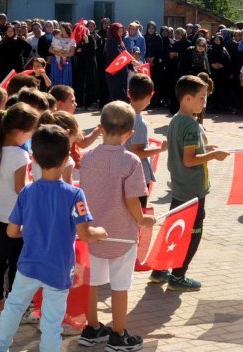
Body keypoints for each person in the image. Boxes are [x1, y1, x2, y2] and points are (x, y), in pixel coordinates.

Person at [0, 125, 107, 352]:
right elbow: (85, 234)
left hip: (28, 265)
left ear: (34, 159)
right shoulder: (74, 194)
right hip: (58, 269)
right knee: (52, 323)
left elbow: (12, 232)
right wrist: (101, 232)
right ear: (66, 158)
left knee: (13, 307)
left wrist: (30, 233)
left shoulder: (27, 192)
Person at [79, 101, 156, 351]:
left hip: (92, 232)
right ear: (130, 133)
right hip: (121, 235)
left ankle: (91, 328)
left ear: (100, 128)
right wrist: (142, 219)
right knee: (120, 285)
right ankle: (119, 334)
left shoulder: (87, 157)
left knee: (94, 282)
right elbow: (132, 199)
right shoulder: (131, 161)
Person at [150, 75, 228, 290]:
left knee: (173, 228)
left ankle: (159, 270)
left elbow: (187, 151)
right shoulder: (192, 125)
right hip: (192, 189)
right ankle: (178, 276)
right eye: (201, 98)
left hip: (179, 185)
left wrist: (207, 149)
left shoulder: (176, 119)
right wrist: (214, 155)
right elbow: (190, 159)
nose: (205, 103)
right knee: (193, 232)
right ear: (186, 99)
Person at [0, 103, 41, 317]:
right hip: (18, 218)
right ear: (19, 132)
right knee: (17, 260)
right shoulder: (20, 156)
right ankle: (15, 301)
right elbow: (21, 188)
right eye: (29, 133)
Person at [123, 74, 164, 204]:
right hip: (137, 176)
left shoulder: (121, 113)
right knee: (138, 215)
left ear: (129, 93)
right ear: (150, 96)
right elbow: (137, 152)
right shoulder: (139, 123)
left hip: (123, 173)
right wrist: (159, 149)